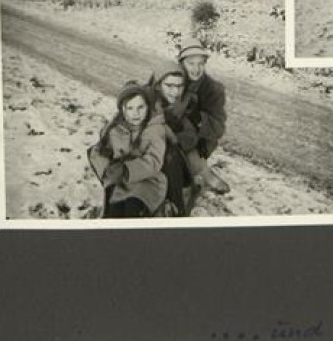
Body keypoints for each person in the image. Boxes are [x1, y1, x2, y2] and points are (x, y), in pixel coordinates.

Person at [87, 81, 168, 218]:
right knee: (113, 212)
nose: (135, 113)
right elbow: (97, 152)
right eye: (130, 108)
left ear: (148, 107)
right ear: (122, 110)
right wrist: (107, 169)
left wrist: (127, 169)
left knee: (133, 209)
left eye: (140, 107)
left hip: (147, 182)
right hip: (120, 183)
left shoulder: (154, 129)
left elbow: (154, 160)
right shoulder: (114, 129)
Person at [177, 40, 230, 193]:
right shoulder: (172, 79)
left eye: (200, 63)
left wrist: (199, 118)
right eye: (191, 63)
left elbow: (218, 128)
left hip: (199, 142)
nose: (196, 69)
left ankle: (202, 171)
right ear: (182, 64)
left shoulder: (214, 89)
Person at [147, 62, 195, 216]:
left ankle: (177, 206)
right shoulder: (145, 102)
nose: (176, 92)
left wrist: (175, 138)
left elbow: (191, 134)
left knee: (173, 155)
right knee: (170, 156)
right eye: (169, 86)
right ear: (158, 85)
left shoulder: (180, 105)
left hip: (165, 155)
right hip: (143, 156)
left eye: (180, 86)